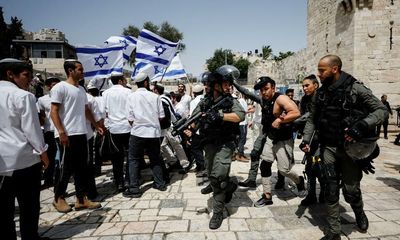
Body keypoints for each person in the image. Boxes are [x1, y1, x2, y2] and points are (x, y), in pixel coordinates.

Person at [300, 54, 388, 240]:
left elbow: (381, 110)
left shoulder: (355, 89)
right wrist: (306, 140)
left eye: (322, 70)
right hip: (328, 148)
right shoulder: (321, 93)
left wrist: (362, 125)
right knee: (330, 190)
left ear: (335, 69)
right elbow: (313, 118)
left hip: (349, 150)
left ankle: (359, 212)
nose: (319, 74)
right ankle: (334, 231)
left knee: (351, 190)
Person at [184, 65, 245, 229]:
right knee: (212, 176)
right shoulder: (205, 102)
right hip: (209, 144)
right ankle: (230, 186)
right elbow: (194, 119)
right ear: (215, 85)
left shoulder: (230, 101)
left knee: (218, 176)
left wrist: (220, 115)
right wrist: (190, 127)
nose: (228, 86)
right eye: (224, 83)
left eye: (228, 83)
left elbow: (240, 115)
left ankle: (218, 211)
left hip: (225, 143)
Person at [233, 76, 304, 207]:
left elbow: (296, 112)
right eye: (261, 90)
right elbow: (247, 92)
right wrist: (234, 83)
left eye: (266, 89)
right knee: (265, 165)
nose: (263, 92)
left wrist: (280, 120)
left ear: (273, 88)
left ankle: (299, 180)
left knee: (284, 170)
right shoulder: (263, 99)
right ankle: (267, 196)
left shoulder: (281, 98)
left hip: (283, 139)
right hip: (270, 137)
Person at [0, 58, 49, 240]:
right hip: (24, 160)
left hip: (2, 164)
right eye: (26, 75)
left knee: (4, 209)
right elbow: (32, 131)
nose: (30, 80)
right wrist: (44, 153)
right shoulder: (23, 96)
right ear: (10, 74)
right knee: (29, 206)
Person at [50, 59, 103, 213]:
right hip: (67, 134)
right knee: (65, 168)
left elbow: (86, 110)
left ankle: (81, 199)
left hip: (81, 133)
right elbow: (53, 111)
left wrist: (96, 125)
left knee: (82, 168)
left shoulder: (81, 90)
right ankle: (58, 198)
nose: (82, 72)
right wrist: (61, 132)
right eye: (80, 69)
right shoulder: (60, 87)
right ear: (70, 71)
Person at [123, 72, 166, 198]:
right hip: (153, 133)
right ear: (146, 82)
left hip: (138, 132)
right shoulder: (155, 97)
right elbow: (161, 117)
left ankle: (134, 188)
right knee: (155, 158)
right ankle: (159, 183)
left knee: (134, 160)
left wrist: (137, 125)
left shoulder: (131, 97)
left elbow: (130, 118)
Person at [294, 74, 325, 206]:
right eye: (303, 86)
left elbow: (309, 117)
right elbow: (303, 119)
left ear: (315, 85)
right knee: (309, 168)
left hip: (322, 140)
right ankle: (311, 195)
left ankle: (323, 194)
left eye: (307, 85)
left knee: (320, 167)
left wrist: (294, 121)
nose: (305, 88)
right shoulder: (304, 100)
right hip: (310, 140)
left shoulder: (322, 98)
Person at [102, 72, 132, 192]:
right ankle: (129, 179)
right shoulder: (128, 92)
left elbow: (104, 111)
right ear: (120, 81)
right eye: (124, 80)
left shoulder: (105, 93)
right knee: (130, 155)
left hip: (114, 129)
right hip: (128, 127)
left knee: (116, 157)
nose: (125, 82)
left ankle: (119, 181)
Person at [37, 77, 61, 189]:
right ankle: (48, 180)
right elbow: (41, 116)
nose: (54, 86)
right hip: (49, 131)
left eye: (57, 84)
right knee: (50, 157)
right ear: (48, 86)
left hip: (61, 131)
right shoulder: (42, 100)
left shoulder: (63, 97)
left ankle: (59, 182)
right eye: (52, 84)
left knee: (60, 158)